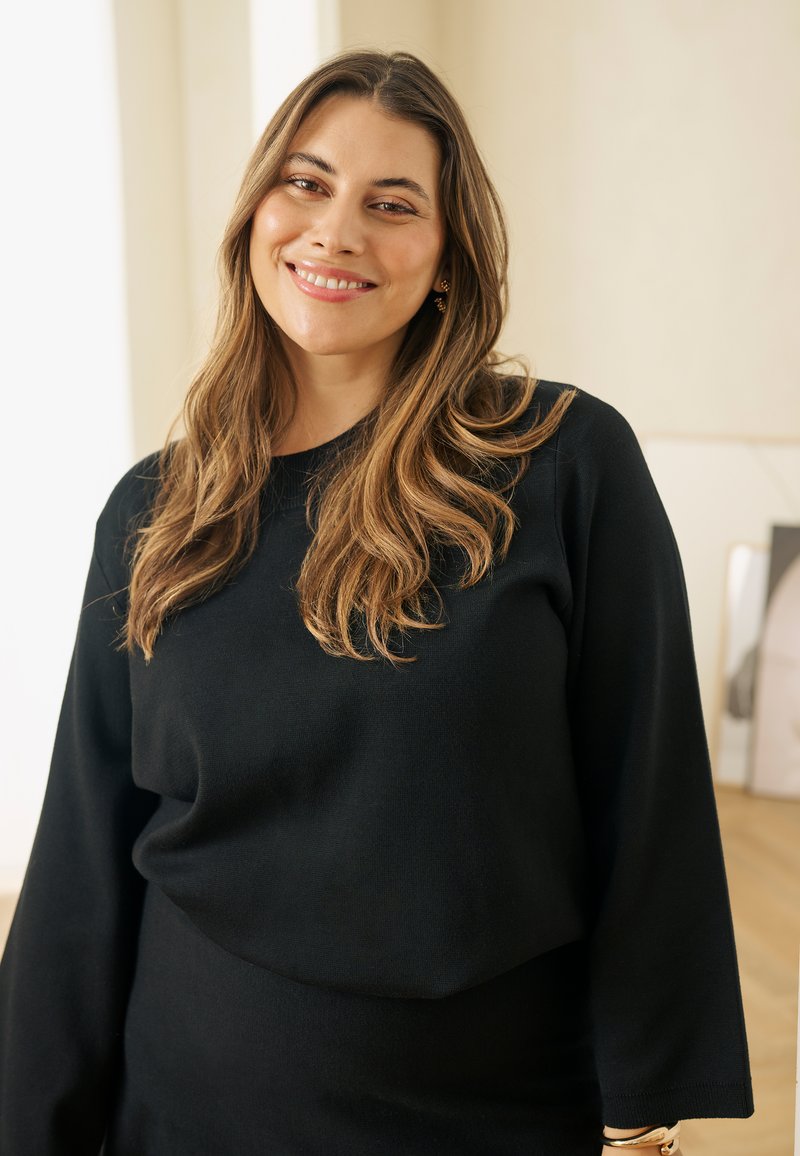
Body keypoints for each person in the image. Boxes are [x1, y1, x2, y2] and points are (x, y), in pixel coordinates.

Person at [0, 49, 754, 1156]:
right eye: (304, 183)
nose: (335, 230)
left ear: (448, 262)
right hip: (178, 1106)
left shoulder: (560, 464)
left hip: (484, 1114)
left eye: (390, 204)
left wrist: (638, 1117)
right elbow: (81, 854)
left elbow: (646, 802)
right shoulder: (155, 508)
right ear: (255, 212)